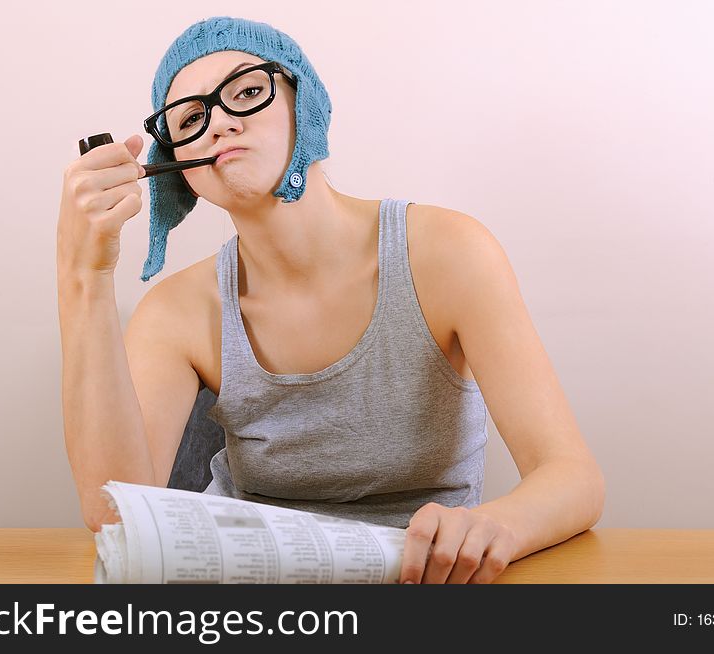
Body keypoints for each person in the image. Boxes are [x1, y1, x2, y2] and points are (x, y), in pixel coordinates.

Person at [57, 16, 605, 584]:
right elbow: (113, 515)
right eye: (192, 119)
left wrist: (499, 526)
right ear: (179, 169)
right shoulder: (176, 312)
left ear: (305, 105)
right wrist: (83, 275)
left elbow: (572, 477)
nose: (218, 124)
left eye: (247, 92)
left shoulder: (449, 254)